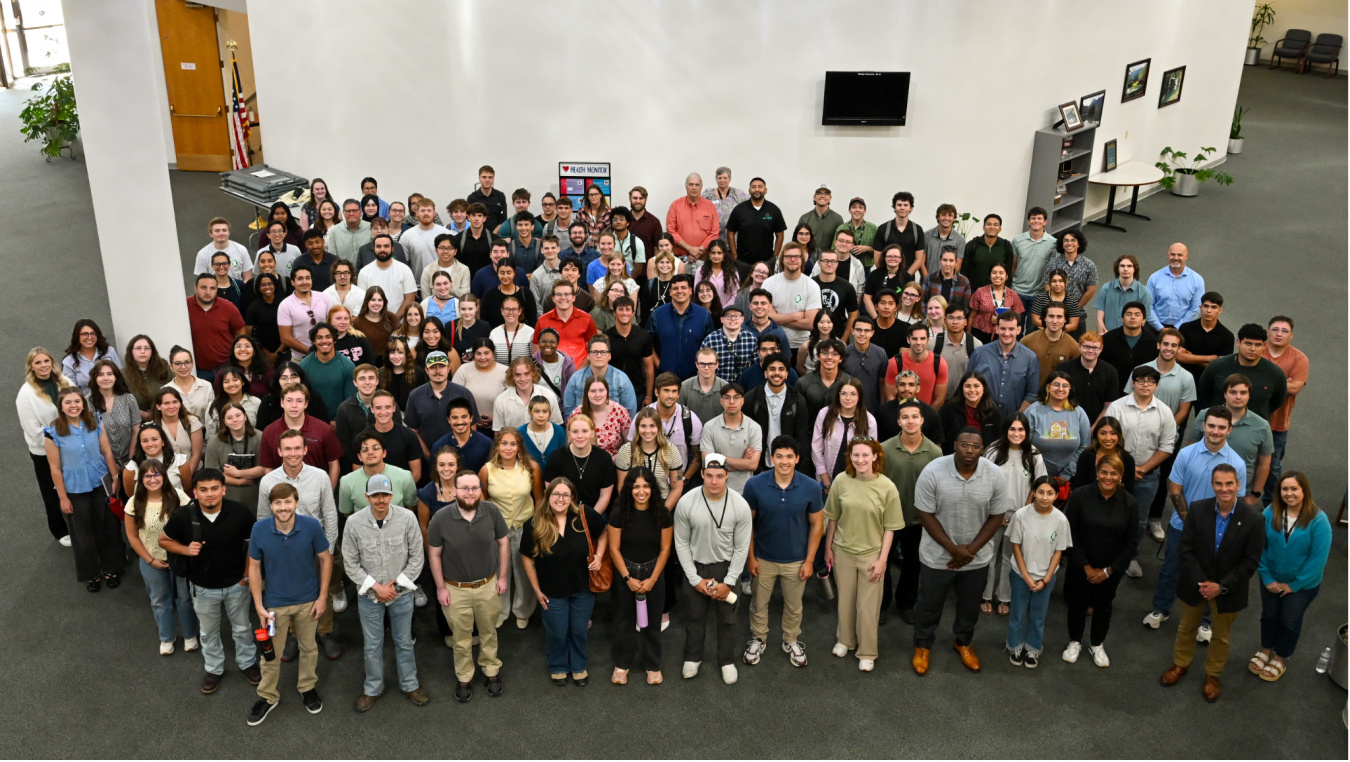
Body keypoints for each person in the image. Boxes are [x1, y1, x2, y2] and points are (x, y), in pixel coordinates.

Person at [1158, 464, 1264, 702]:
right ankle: (1180, 664)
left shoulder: (1254, 519)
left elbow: (1250, 562)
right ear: (1212, 485)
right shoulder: (1197, 509)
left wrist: (1220, 586)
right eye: (1219, 483)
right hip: (1195, 584)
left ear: (1238, 485)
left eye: (1229, 483)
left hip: (1229, 590)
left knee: (1221, 636)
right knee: (1186, 627)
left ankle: (1213, 675)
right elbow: (1186, 549)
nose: (1224, 489)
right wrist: (1203, 582)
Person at [911, 427, 1012, 675]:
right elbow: (924, 513)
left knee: (969, 606)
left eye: (976, 446)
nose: (970, 450)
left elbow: (997, 515)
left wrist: (969, 551)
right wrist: (953, 550)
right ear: (955, 444)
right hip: (937, 557)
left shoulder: (995, 475)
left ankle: (963, 642)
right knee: (929, 605)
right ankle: (923, 645)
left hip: (976, 558)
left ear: (982, 449)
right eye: (965, 444)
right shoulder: (933, 471)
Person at [1145, 406, 1247, 636]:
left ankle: (1206, 621)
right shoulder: (1186, 454)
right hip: (1181, 526)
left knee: (1212, 576)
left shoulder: (1237, 464)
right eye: (1211, 426)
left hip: (1218, 532)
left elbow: (1235, 501)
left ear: (1229, 430)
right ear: (1203, 426)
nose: (1215, 431)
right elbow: (1175, 491)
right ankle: (1161, 609)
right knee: (1171, 570)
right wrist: (1192, 523)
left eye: (1221, 427)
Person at [159, 469, 259, 694]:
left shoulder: (240, 512)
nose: (209, 494)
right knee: (208, 632)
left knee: (242, 628)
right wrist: (185, 549)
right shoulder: (183, 516)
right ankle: (214, 668)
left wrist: (245, 577)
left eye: (215, 488)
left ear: (224, 489)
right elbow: (164, 540)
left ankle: (248, 663)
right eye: (203, 490)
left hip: (237, 584)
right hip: (202, 588)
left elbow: (253, 545)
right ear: (195, 493)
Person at [245, 482, 332, 726]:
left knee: (309, 648)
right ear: (271, 505)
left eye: (287, 502)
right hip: (275, 604)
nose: (283, 507)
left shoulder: (311, 526)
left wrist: (323, 597)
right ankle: (267, 696)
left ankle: (307, 687)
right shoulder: (259, 529)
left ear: (296, 503)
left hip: (308, 601)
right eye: (277, 503)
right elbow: (253, 567)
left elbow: (326, 559)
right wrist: (259, 605)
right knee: (270, 653)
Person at [341, 472, 428, 712]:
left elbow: (416, 559)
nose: (381, 500)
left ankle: (410, 684)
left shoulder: (407, 518)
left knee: (404, 641)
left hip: (402, 595)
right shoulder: (353, 523)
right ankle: (372, 688)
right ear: (367, 497)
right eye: (376, 495)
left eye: (385, 495)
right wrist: (377, 587)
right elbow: (350, 563)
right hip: (369, 597)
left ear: (392, 496)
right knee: (372, 644)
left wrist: (395, 588)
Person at [256, 427, 342, 658]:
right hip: (283, 547)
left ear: (305, 450)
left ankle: (324, 632)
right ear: (279, 451)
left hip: (316, 545)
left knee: (322, 589)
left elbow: (329, 514)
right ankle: (293, 635)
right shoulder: (268, 481)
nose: (292, 453)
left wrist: (329, 548)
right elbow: (263, 518)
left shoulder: (320, 477)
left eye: (297, 448)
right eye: (287, 449)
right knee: (290, 592)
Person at [818, 437, 901, 673]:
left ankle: (867, 651)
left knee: (867, 607)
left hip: (871, 556)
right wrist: (828, 548)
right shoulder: (841, 481)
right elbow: (832, 517)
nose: (860, 460)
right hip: (842, 552)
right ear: (850, 457)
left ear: (875, 456)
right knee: (845, 601)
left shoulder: (887, 487)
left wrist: (883, 560)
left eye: (865, 455)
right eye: (856, 455)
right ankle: (845, 640)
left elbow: (890, 528)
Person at [427, 470, 509, 703]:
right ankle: (464, 676)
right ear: (454, 491)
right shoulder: (440, 519)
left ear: (480, 490)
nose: (470, 492)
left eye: (474, 488)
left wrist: (502, 577)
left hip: (487, 585)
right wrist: (440, 588)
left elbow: (503, 543)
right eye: (465, 488)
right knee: (461, 638)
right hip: (455, 589)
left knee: (488, 632)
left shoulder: (492, 511)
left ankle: (490, 669)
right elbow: (434, 554)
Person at [520, 477, 608, 687]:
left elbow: (604, 533)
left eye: (565, 495)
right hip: (551, 591)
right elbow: (527, 557)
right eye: (556, 494)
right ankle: (558, 666)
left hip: (583, 588)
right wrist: (536, 589)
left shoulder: (585, 516)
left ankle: (578, 665)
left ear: (572, 497)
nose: (560, 499)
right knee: (557, 632)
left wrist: (598, 555)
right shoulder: (534, 523)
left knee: (579, 630)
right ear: (548, 496)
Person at [673, 454, 753, 685]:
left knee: (728, 620)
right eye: (709, 475)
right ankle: (693, 657)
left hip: (726, 569)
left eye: (719, 476)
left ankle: (726, 661)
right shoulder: (686, 502)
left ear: (727, 475)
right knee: (694, 617)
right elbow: (681, 543)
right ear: (702, 474)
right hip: (696, 568)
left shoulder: (740, 505)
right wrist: (694, 579)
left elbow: (741, 547)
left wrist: (729, 581)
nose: (714, 481)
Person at [1252, 471, 1332, 682]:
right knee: (1269, 614)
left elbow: (1318, 561)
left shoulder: (1319, 521)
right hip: (1271, 578)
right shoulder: (1270, 512)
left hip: (1303, 585)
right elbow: (1258, 546)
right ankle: (1266, 649)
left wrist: (1294, 586)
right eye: (1285, 489)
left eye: (1294, 489)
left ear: (1304, 491)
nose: (1289, 493)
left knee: (1290, 619)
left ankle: (1281, 656)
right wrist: (1267, 577)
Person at [1060, 454, 1138, 669]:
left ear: (1120, 476)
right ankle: (1074, 641)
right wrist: (1086, 566)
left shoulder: (1130, 503)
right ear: (1097, 473)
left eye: (1113, 473)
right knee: (1077, 603)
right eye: (1104, 472)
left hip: (1112, 569)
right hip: (1080, 565)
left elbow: (1131, 541)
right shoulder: (1079, 496)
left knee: (1104, 605)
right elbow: (1070, 532)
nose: (1108, 477)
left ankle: (1097, 644)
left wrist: (1109, 571)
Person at [45, 386, 124, 591]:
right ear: (61, 406)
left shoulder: (95, 421)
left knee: (109, 528)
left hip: (100, 483)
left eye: (77, 401)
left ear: (83, 403)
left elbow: (106, 452)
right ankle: (91, 574)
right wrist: (63, 498)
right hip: (74, 489)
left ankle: (112, 568)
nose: (73, 406)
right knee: (83, 536)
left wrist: (115, 477)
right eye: (68, 402)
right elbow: (55, 468)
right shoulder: (52, 432)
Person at [606, 467, 674, 685]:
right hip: (625, 574)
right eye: (636, 487)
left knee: (652, 623)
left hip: (654, 573)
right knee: (623, 621)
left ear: (652, 488)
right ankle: (622, 664)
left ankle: (652, 665)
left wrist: (652, 579)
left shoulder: (662, 514)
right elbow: (613, 549)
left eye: (646, 486)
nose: (641, 491)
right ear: (629, 489)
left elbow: (665, 549)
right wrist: (628, 578)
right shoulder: (618, 513)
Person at [1106, 366, 1177, 573]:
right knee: (1110, 516)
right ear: (1133, 383)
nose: (1145, 384)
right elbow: (1107, 440)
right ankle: (1108, 554)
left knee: (1138, 521)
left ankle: (1130, 557)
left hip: (1147, 476)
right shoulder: (1117, 407)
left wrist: (1143, 469)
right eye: (1141, 380)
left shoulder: (1164, 412)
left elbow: (1167, 447)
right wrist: (1126, 468)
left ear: (1156, 386)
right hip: (1116, 473)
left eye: (1150, 381)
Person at [123, 460, 197, 655]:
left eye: (157, 474)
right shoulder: (134, 503)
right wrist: (150, 560)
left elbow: (192, 523)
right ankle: (167, 638)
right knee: (159, 600)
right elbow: (132, 536)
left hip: (180, 558)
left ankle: (190, 635)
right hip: (151, 559)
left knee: (185, 598)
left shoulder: (178, 496)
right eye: (147, 475)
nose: (153, 479)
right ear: (141, 479)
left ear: (164, 476)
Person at [981, 414, 1047, 617]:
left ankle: (1004, 597)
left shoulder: (1034, 455)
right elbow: (983, 483)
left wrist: (1022, 513)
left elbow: (1038, 486)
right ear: (1005, 430)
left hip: (1020, 515)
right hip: (993, 513)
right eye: (1012, 429)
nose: (1016, 433)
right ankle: (985, 595)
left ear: (1026, 432)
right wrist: (996, 513)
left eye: (1021, 429)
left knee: (1010, 557)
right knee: (988, 555)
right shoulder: (992, 451)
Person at [478, 429, 544, 631]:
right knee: (500, 571)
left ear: (519, 447)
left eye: (513, 444)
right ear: (497, 446)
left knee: (524, 571)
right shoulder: (486, 470)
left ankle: (523, 610)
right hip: (498, 529)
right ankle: (500, 610)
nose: (508, 448)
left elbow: (539, 498)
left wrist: (538, 525)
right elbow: (482, 501)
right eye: (504, 443)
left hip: (525, 525)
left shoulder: (531, 467)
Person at [1005, 476, 1071, 669]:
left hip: (1045, 576)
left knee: (1038, 615)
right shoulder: (1021, 515)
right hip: (1021, 574)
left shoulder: (1061, 519)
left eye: (1050, 493)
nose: (1044, 497)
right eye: (1040, 492)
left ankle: (1033, 648)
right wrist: (1026, 576)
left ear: (1056, 495)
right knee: (1017, 614)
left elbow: (1059, 551)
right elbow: (1016, 547)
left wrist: (1046, 579)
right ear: (1033, 493)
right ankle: (1015, 646)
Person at [1185, 374, 1275, 505]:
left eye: (1243, 393)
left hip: (1239, 495)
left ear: (1249, 395)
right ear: (1225, 394)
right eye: (1233, 392)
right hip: (1200, 490)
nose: (1238, 397)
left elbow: (1264, 464)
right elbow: (1190, 449)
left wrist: (1255, 495)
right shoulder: (1205, 415)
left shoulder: (1262, 426)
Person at [18, 348, 75, 545]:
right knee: (50, 490)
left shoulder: (65, 381)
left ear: (52, 362)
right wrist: (57, 442)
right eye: (38, 363)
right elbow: (32, 429)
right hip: (43, 450)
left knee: (73, 484)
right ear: (31, 367)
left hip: (71, 444)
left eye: (46, 361)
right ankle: (59, 529)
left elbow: (80, 405)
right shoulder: (25, 394)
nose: (43, 366)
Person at [1197, 323, 1289, 421]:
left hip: (1255, 427)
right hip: (1220, 426)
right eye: (1248, 343)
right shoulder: (1217, 366)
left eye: (1258, 345)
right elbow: (1205, 392)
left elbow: (1277, 401)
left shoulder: (1275, 373)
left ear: (1264, 346)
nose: (1252, 349)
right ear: (1238, 343)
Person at [1261, 316, 1307, 505]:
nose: (1279, 334)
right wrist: (1282, 382)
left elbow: (1294, 388)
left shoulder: (1299, 358)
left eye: (1284, 331)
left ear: (1291, 335)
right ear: (1268, 332)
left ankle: (1271, 506)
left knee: (1273, 468)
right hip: (1250, 418)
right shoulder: (1257, 349)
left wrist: (1263, 381)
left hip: (1278, 424)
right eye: (1275, 329)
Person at [743, 353, 812, 471]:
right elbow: (746, 434)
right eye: (772, 369)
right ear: (765, 373)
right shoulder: (751, 398)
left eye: (781, 369)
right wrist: (757, 468)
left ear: (787, 374)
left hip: (787, 465)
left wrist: (794, 466)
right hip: (760, 465)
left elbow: (801, 437)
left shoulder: (797, 400)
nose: (776, 373)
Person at [403, 351, 480, 455]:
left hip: (461, 456)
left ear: (448, 368)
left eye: (442, 366)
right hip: (427, 457)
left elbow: (472, 426)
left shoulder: (464, 394)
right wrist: (429, 457)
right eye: (433, 367)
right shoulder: (415, 395)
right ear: (426, 370)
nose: (438, 371)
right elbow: (413, 431)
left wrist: (465, 453)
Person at [1023, 371, 1090, 486]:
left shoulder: (1079, 413)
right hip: (1034, 476)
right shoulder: (1033, 411)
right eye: (1056, 385)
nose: (1060, 389)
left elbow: (1085, 445)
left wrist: (1067, 473)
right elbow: (1023, 444)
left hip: (1070, 479)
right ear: (1048, 387)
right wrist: (1038, 472)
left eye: (1065, 386)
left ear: (1070, 389)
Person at [967, 312, 1040, 417]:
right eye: (1003, 329)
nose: (1007, 333)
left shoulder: (1030, 358)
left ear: (1018, 330)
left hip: (1013, 421)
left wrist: (1017, 418)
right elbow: (968, 384)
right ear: (997, 329)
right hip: (981, 417)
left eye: (1011, 329)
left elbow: (1032, 395)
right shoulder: (980, 354)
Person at [543, 415, 618, 515]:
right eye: (575, 432)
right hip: (562, 511)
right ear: (569, 434)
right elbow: (550, 491)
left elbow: (605, 496)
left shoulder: (604, 458)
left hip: (595, 512)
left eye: (584, 431)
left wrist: (590, 518)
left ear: (592, 433)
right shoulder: (556, 457)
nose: (580, 436)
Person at [811, 380, 876, 492]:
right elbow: (816, 449)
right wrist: (826, 483)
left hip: (857, 483)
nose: (848, 398)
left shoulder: (869, 420)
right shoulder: (825, 414)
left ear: (859, 396)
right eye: (844, 393)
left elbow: (871, 455)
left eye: (853, 394)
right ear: (838, 395)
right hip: (827, 480)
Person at [615, 408, 686, 509]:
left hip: (662, 503)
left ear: (658, 427)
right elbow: (622, 487)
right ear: (637, 427)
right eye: (643, 426)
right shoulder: (626, 450)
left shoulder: (671, 450)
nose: (648, 431)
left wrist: (663, 512)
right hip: (634, 504)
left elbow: (677, 487)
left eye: (652, 426)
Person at [204, 402, 264, 509]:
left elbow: (264, 468)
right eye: (229, 418)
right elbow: (212, 473)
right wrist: (239, 481)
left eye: (238, 415)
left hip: (255, 495)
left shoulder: (260, 437)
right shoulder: (214, 442)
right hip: (226, 497)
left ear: (245, 416)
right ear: (224, 422)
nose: (235, 420)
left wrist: (238, 473)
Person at [563, 334, 638, 418]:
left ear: (609, 356)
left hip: (613, 425)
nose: (599, 356)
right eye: (594, 352)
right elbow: (569, 413)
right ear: (588, 356)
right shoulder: (576, 379)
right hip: (583, 425)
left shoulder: (622, 380)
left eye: (603, 352)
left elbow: (629, 414)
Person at [191, 268, 247, 375]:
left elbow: (240, 331)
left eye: (212, 288)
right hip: (198, 369)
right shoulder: (185, 306)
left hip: (226, 367)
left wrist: (237, 358)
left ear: (217, 290)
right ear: (195, 289)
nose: (208, 292)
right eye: (203, 287)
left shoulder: (229, 307)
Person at [88, 359, 140, 472]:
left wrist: (130, 461)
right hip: (103, 462)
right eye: (101, 375)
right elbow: (90, 439)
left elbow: (136, 431)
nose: (105, 378)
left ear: (116, 377)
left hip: (130, 458)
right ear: (94, 378)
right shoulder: (87, 403)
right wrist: (111, 464)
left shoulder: (128, 398)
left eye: (109, 374)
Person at [725, 177, 786, 271]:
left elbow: (780, 235)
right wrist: (734, 255)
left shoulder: (774, 210)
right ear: (749, 191)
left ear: (766, 190)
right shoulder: (739, 209)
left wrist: (775, 257)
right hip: (742, 262)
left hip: (766, 262)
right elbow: (730, 233)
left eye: (760, 187)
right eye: (753, 187)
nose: (757, 189)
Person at [1055, 331, 1118, 422]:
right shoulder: (1064, 369)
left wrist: (1095, 428)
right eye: (1086, 346)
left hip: (1098, 426)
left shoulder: (1110, 372)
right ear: (1079, 346)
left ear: (1101, 349)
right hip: (1067, 422)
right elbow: (1057, 399)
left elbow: (1108, 406)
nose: (1090, 351)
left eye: (1095, 347)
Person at [536, 280, 599, 370]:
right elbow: (537, 352)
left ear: (573, 297)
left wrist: (577, 373)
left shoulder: (587, 319)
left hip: (581, 372)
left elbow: (593, 350)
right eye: (559, 294)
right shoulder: (542, 321)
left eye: (567, 294)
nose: (563, 298)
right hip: (551, 372)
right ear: (553, 298)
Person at [876, 369, 944, 445]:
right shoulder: (882, 412)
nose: (906, 389)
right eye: (902, 384)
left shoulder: (931, 414)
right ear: (896, 388)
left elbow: (937, 444)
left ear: (918, 388)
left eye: (911, 385)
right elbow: (877, 441)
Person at [1176, 292, 1233, 383]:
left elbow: (1221, 367)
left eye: (1213, 307)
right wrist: (1210, 359)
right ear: (1200, 307)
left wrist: (1190, 357)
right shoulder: (1186, 328)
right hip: (1183, 379)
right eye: (1206, 306)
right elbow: (1178, 356)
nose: (1209, 310)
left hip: (1210, 382)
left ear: (1220, 310)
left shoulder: (1227, 336)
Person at [277, 267, 333, 358]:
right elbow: (285, 338)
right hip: (301, 358)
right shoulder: (285, 305)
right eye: (300, 279)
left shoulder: (323, 297)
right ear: (292, 282)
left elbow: (333, 325)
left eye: (308, 278)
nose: (304, 282)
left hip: (327, 354)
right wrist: (311, 351)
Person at [1146, 242, 1204, 330]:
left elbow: (1196, 308)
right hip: (1155, 329)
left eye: (1180, 255)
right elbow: (1148, 306)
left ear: (1186, 256)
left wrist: (1177, 328)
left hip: (1184, 329)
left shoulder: (1197, 280)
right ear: (1168, 255)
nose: (1176, 258)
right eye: (1173, 254)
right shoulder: (1155, 278)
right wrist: (1160, 328)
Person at [452, 339, 508, 430]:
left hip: (499, 428)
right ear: (473, 354)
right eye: (478, 353)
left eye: (486, 353)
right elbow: (453, 397)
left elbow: (512, 400)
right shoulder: (464, 370)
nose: (482, 357)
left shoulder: (505, 372)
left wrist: (495, 419)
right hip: (467, 427)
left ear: (493, 353)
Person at [1021, 304, 1080, 389]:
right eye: (1051, 316)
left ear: (1065, 320)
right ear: (1044, 318)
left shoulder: (1073, 346)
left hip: (1057, 393)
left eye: (1059, 317)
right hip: (1029, 392)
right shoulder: (1027, 341)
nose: (1055, 321)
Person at [1009, 208, 1056, 314]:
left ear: (1045, 222)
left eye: (1039, 218)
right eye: (1033, 218)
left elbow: (1052, 270)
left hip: (1039, 293)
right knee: (1016, 322)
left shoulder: (1053, 243)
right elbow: (1013, 265)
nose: (1036, 221)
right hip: (1017, 290)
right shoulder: (1017, 240)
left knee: (1034, 324)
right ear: (1028, 221)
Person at [932, 305, 982, 404]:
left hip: (965, 400)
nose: (955, 322)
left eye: (959, 318)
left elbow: (979, 376)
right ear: (945, 321)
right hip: (937, 399)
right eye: (951, 318)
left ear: (965, 322)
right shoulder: (933, 343)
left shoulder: (976, 345)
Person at [1100, 301, 1158, 383]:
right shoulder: (1108, 339)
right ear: (1122, 319)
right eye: (1129, 314)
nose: (1132, 317)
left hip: (1142, 386)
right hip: (1113, 385)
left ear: (1144, 320)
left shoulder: (1153, 342)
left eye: (1137, 314)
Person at [666, 173, 720, 262]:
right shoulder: (675, 205)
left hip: (704, 257)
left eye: (697, 185)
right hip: (680, 257)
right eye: (691, 184)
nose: (694, 188)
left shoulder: (710, 206)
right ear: (686, 187)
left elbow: (714, 232)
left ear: (701, 187)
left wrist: (699, 251)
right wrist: (689, 248)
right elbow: (671, 231)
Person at [1094, 253, 1152, 334]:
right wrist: (1104, 335)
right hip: (1107, 334)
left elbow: (1143, 320)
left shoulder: (1143, 291)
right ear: (1118, 269)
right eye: (1122, 266)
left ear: (1134, 269)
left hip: (1130, 336)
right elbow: (1099, 319)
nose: (1125, 269)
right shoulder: (1106, 288)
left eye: (1129, 266)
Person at [966, 263, 1023, 344]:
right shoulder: (980, 292)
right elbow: (972, 316)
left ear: (1006, 276)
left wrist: (1001, 319)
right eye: (994, 272)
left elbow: (1017, 317)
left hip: (1003, 333)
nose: (997, 276)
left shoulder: (1013, 295)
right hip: (980, 332)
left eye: (1001, 273)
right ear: (990, 276)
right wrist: (968, 336)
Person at [843, 317, 889, 416]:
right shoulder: (844, 353)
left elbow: (882, 382)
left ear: (872, 333)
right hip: (848, 408)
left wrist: (882, 406)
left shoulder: (880, 353)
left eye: (866, 330)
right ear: (852, 331)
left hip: (873, 409)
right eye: (858, 330)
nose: (862, 334)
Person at [61, 319, 121, 394]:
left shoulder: (109, 352)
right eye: (85, 334)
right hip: (87, 399)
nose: (90, 337)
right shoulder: (69, 361)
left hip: (113, 395)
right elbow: (71, 391)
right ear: (77, 336)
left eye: (93, 333)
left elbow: (120, 376)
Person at [811, 251, 859, 343]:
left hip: (838, 337)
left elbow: (853, 316)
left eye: (833, 261)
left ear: (837, 264)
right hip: (813, 338)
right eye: (825, 261)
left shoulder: (847, 287)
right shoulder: (810, 284)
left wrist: (843, 341)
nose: (829, 264)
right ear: (819, 263)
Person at [961, 214, 1016, 292]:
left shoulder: (1006, 246)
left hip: (997, 292)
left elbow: (1008, 272)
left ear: (1000, 229)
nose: (992, 227)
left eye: (995, 225)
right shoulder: (973, 244)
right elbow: (964, 270)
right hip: (974, 291)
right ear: (984, 227)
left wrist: (1005, 292)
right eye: (989, 224)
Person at [121, 335, 174, 415]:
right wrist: (144, 415)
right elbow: (121, 403)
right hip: (137, 419)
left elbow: (175, 392)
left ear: (152, 351)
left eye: (146, 348)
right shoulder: (122, 374)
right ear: (131, 351)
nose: (142, 351)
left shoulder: (163, 368)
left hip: (167, 415)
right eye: (138, 348)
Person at [194, 216, 254, 282]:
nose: (221, 233)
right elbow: (202, 281)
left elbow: (248, 278)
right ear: (211, 234)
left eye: (224, 230)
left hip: (238, 288)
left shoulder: (241, 250)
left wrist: (240, 288)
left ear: (229, 233)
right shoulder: (202, 254)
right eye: (217, 231)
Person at [921, 246, 973, 316]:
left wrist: (953, 318)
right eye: (945, 260)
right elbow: (923, 302)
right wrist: (929, 317)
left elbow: (965, 307)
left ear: (956, 262)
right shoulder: (930, 278)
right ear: (940, 261)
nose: (947, 264)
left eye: (951, 261)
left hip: (953, 319)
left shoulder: (964, 282)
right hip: (932, 318)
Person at [797, 186, 844, 260]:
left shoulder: (838, 219)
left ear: (830, 198)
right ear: (814, 197)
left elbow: (840, 242)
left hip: (829, 260)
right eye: (819, 193)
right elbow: (797, 241)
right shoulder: (805, 218)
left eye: (826, 194)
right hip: (808, 259)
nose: (822, 196)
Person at [1028, 270, 1083, 335]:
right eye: (1054, 281)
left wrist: (1056, 330)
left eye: (1061, 281)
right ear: (1050, 283)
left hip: (1064, 335)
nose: (1057, 284)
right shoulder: (1040, 298)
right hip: (1041, 334)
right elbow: (1035, 320)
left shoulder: (1072, 301)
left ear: (1066, 282)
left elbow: (1073, 325)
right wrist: (1050, 328)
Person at [420, 234, 471, 301]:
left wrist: (446, 287)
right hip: (434, 307)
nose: (446, 251)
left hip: (457, 306)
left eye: (450, 248)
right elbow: (426, 298)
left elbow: (465, 295)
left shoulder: (464, 269)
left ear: (455, 251)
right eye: (442, 248)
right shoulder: (428, 270)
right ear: (436, 250)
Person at [532, 328, 577, 401]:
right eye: (543, 341)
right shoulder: (531, 363)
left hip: (560, 407)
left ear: (558, 344)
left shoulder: (567, 364)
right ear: (538, 343)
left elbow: (574, 389)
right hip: (537, 406)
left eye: (552, 341)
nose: (548, 344)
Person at [833, 196, 878, 268]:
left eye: (860, 207)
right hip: (844, 267)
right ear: (849, 210)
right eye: (854, 207)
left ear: (865, 211)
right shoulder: (841, 228)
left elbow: (880, 252)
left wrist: (868, 248)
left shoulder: (873, 228)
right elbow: (833, 249)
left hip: (866, 269)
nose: (857, 210)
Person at [924, 203, 967, 277]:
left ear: (954, 218)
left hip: (949, 282)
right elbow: (921, 262)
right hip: (928, 280)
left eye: (950, 215)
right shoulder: (926, 236)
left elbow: (957, 266)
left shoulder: (960, 240)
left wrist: (947, 281)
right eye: (943, 215)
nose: (946, 218)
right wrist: (928, 280)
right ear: (938, 217)